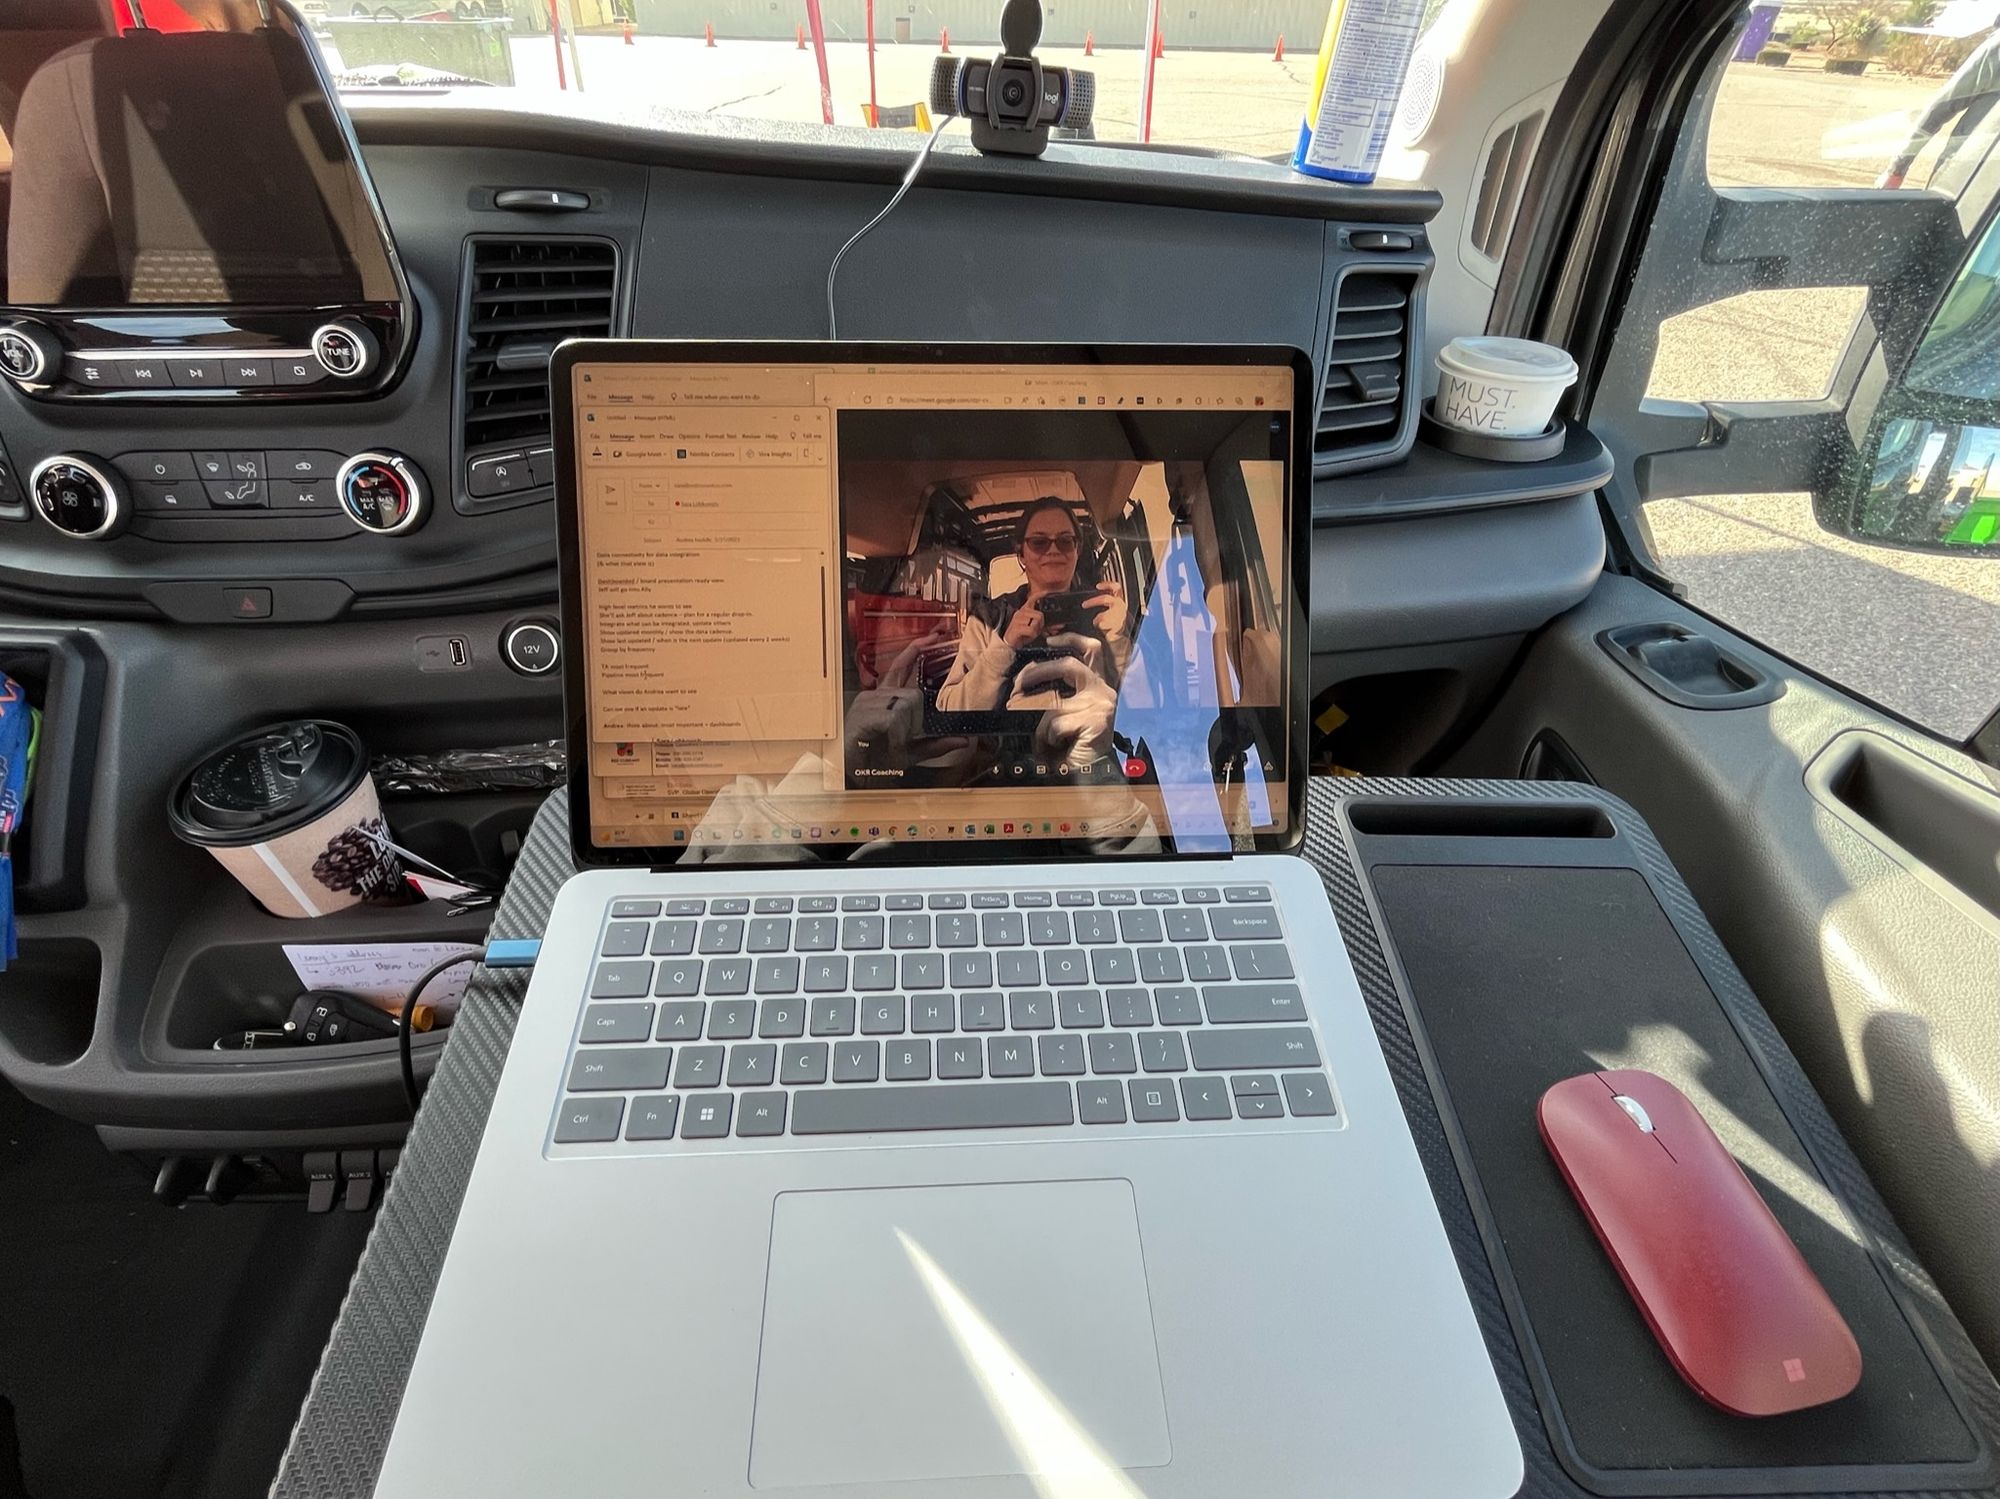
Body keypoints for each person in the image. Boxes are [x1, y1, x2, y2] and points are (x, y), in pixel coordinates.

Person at [935, 497, 1130, 712]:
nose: (1053, 550)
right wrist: (1005, 648)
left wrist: (1119, 642)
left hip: (1091, 742)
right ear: (1021, 554)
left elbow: (1148, 707)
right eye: (1039, 542)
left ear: (1077, 549)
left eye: (1065, 541)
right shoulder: (989, 618)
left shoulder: (1106, 611)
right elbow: (950, 709)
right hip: (1011, 744)